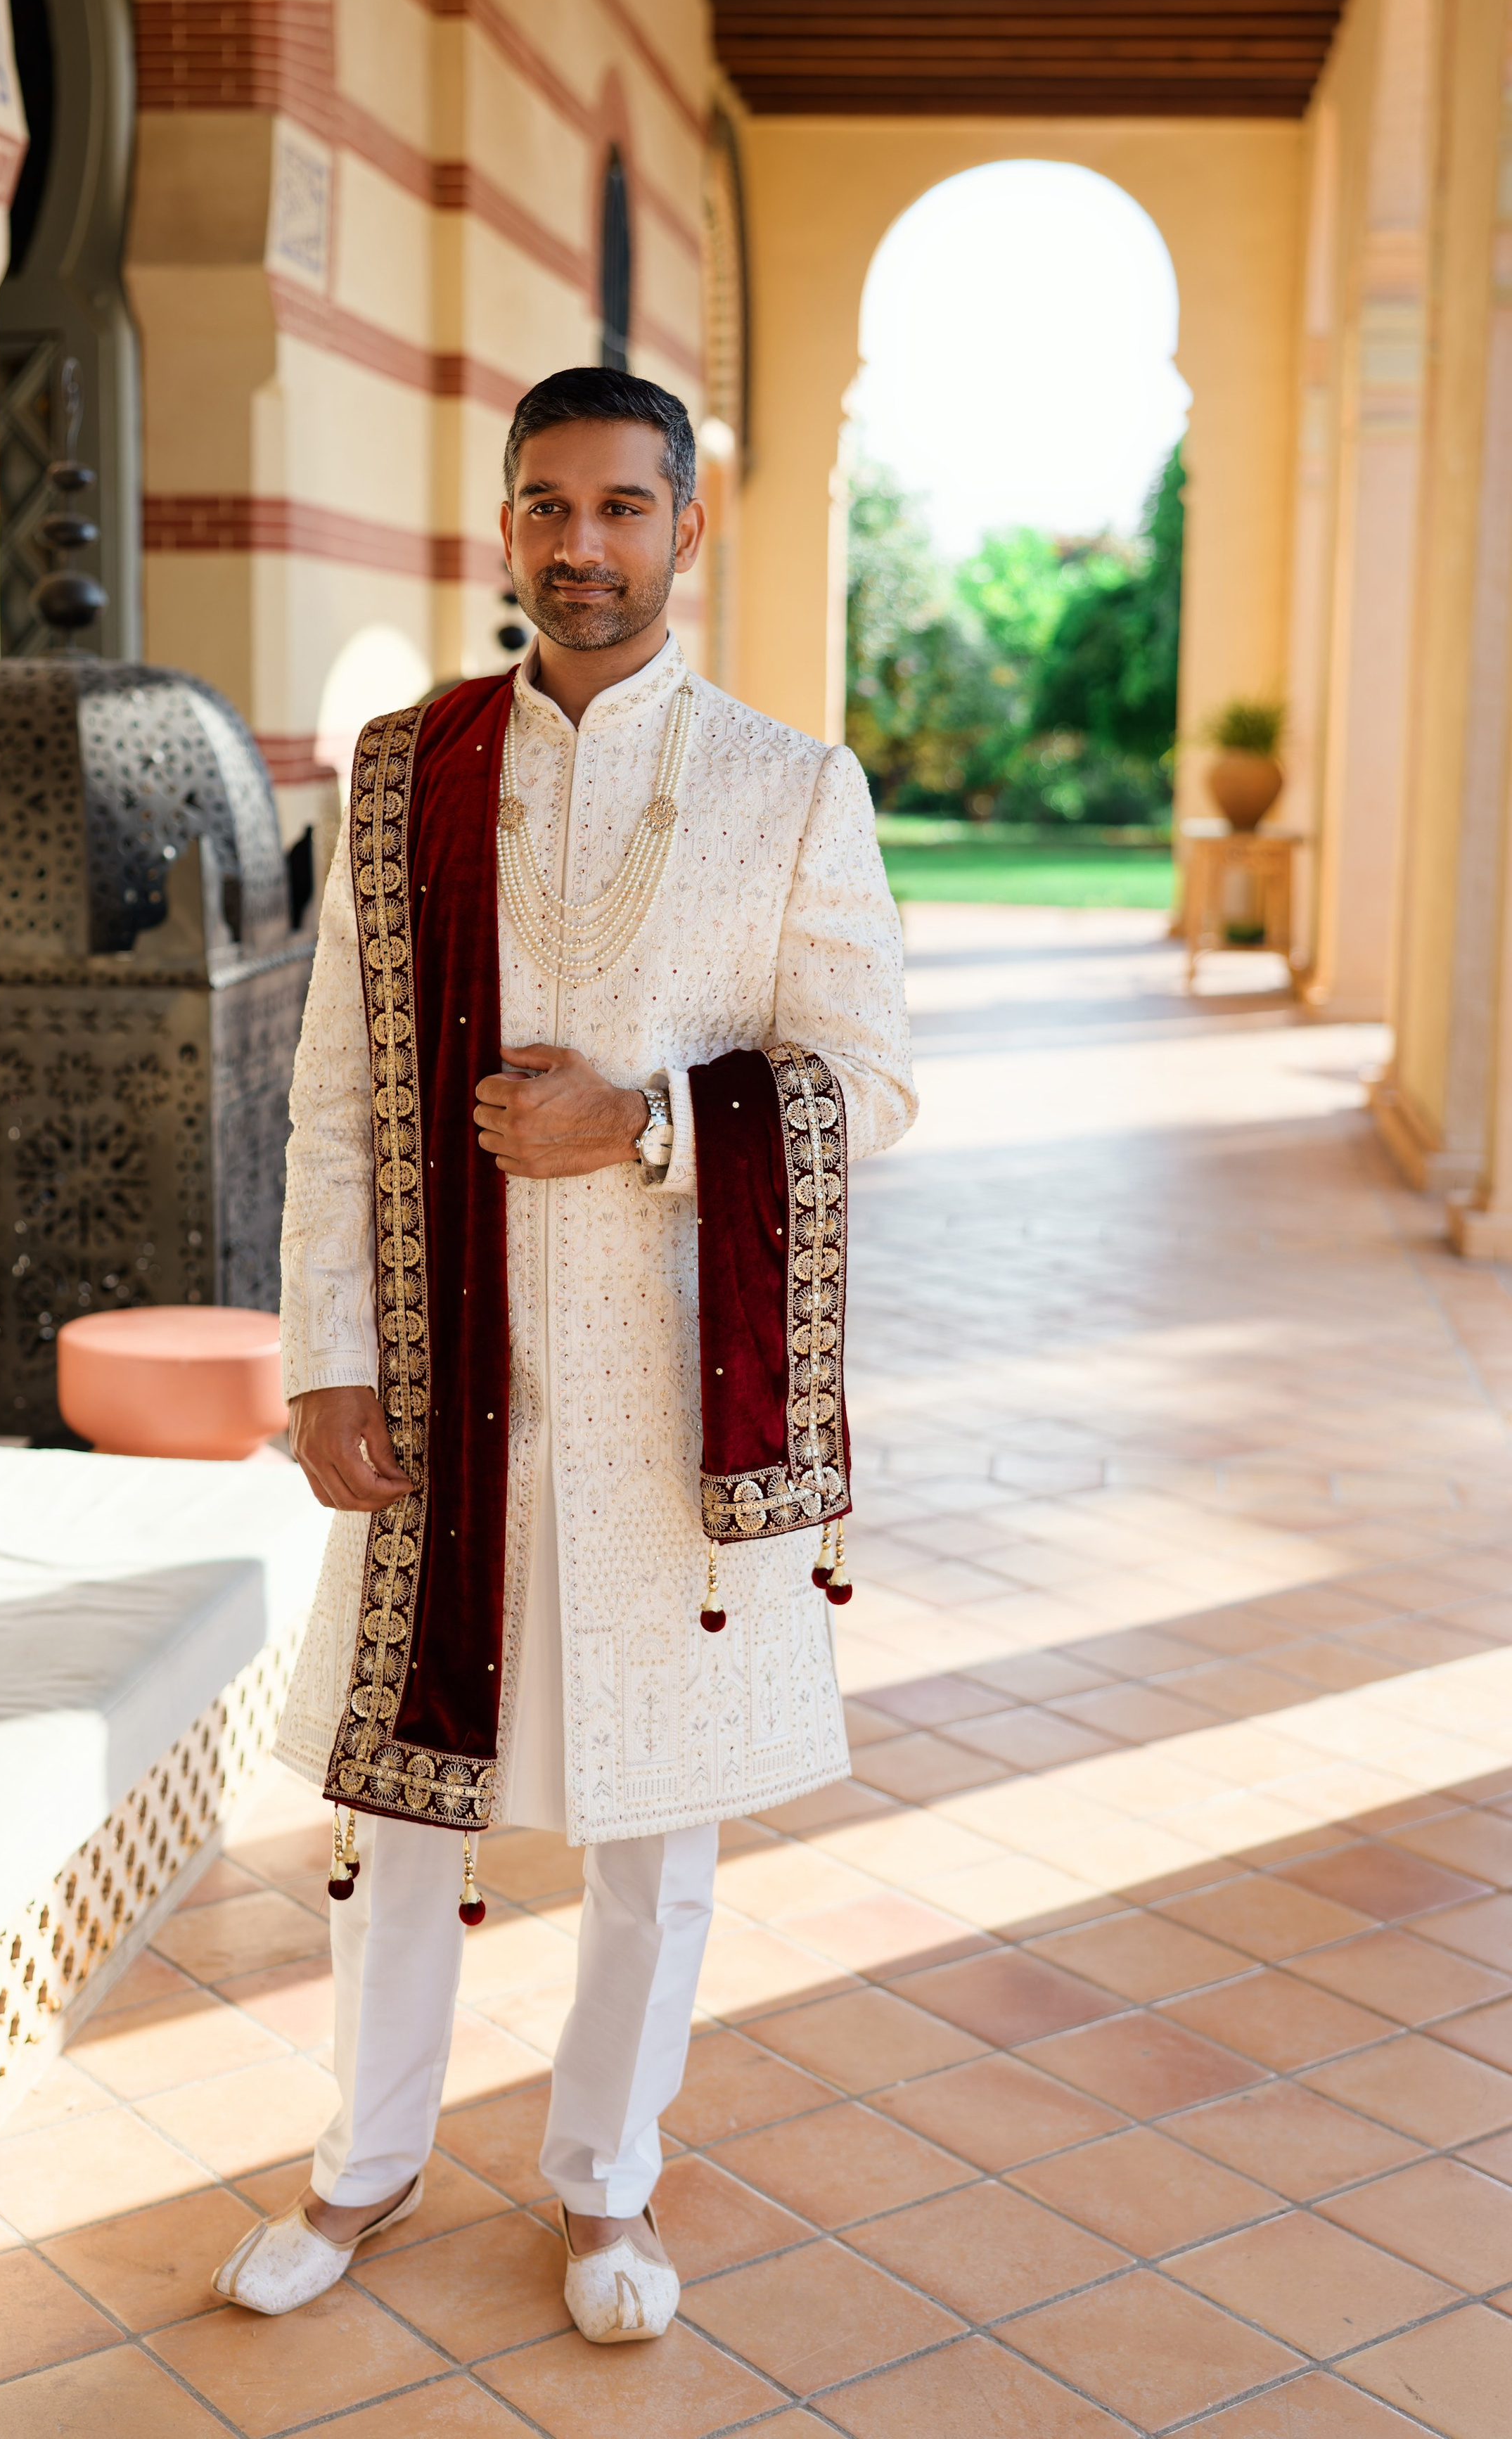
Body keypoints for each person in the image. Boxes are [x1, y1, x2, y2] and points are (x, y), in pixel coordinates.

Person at [214, 367, 918, 2342]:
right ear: (505, 527)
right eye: (548, 508)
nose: (584, 546)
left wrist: (656, 1122)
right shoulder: (401, 771)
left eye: (625, 507)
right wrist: (328, 1358)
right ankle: (362, 2168)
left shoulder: (793, 788)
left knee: (649, 1819)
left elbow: (870, 1084)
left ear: (689, 530)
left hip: (662, 1387)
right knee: (401, 1802)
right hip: (443, 1373)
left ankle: (608, 2186)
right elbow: (335, 1095)